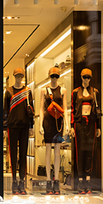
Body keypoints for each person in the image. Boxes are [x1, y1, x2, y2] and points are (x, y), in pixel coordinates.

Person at [71, 68, 101, 194]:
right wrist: (72, 125)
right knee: (80, 152)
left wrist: (98, 126)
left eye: (88, 77)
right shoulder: (75, 92)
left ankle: (88, 181)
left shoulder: (95, 92)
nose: (86, 80)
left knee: (90, 151)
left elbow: (98, 110)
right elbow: (72, 109)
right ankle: (80, 180)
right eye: (84, 77)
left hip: (91, 123)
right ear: (81, 77)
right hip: (79, 124)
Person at [4, 67, 33, 195]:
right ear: (14, 76)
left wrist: (31, 126)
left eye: (21, 76)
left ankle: (22, 182)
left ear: (23, 77)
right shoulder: (8, 91)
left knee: (23, 155)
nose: (19, 78)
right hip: (12, 125)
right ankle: (14, 182)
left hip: (25, 125)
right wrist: (5, 127)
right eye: (17, 76)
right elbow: (5, 111)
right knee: (13, 155)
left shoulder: (27, 91)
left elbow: (31, 109)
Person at [40, 66, 68, 195]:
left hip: (58, 123)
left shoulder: (63, 90)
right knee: (47, 150)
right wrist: (40, 125)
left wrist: (67, 124)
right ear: (49, 76)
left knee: (57, 151)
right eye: (52, 76)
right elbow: (41, 109)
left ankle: (56, 180)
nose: (54, 78)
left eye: (57, 76)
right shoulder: (43, 91)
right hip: (47, 122)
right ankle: (47, 180)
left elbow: (65, 109)